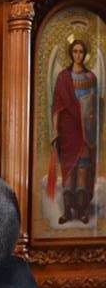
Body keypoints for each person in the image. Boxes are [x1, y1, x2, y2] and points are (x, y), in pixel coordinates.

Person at [47, 38, 99, 225]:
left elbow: (94, 109)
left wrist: (91, 129)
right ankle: (68, 211)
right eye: (75, 51)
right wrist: (54, 130)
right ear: (70, 53)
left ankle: (82, 210)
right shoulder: (63, 77)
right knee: (68, 172)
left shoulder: (90, 78)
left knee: (83, 171)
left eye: (81, 51)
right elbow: (57, 107)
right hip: (67, 131)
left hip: (85, 132)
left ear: (85, 54)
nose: (78, 55)